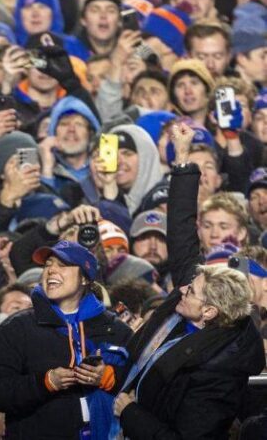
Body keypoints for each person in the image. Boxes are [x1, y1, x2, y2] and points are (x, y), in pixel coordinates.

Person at [112, 122, 266, 437]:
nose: (181, 290)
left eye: (192, 292)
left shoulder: (219, 372)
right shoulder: (195, 296)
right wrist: (182, 159)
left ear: (210, 312)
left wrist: (130, 413)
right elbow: (182, 232)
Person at [0, 239, 132, 438]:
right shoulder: (18, 328)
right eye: (47, 265)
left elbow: (144, 385)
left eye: (62, 265)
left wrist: (108, 378)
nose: (51, 270)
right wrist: (46, 382)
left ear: (85, 278)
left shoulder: (115, 329)